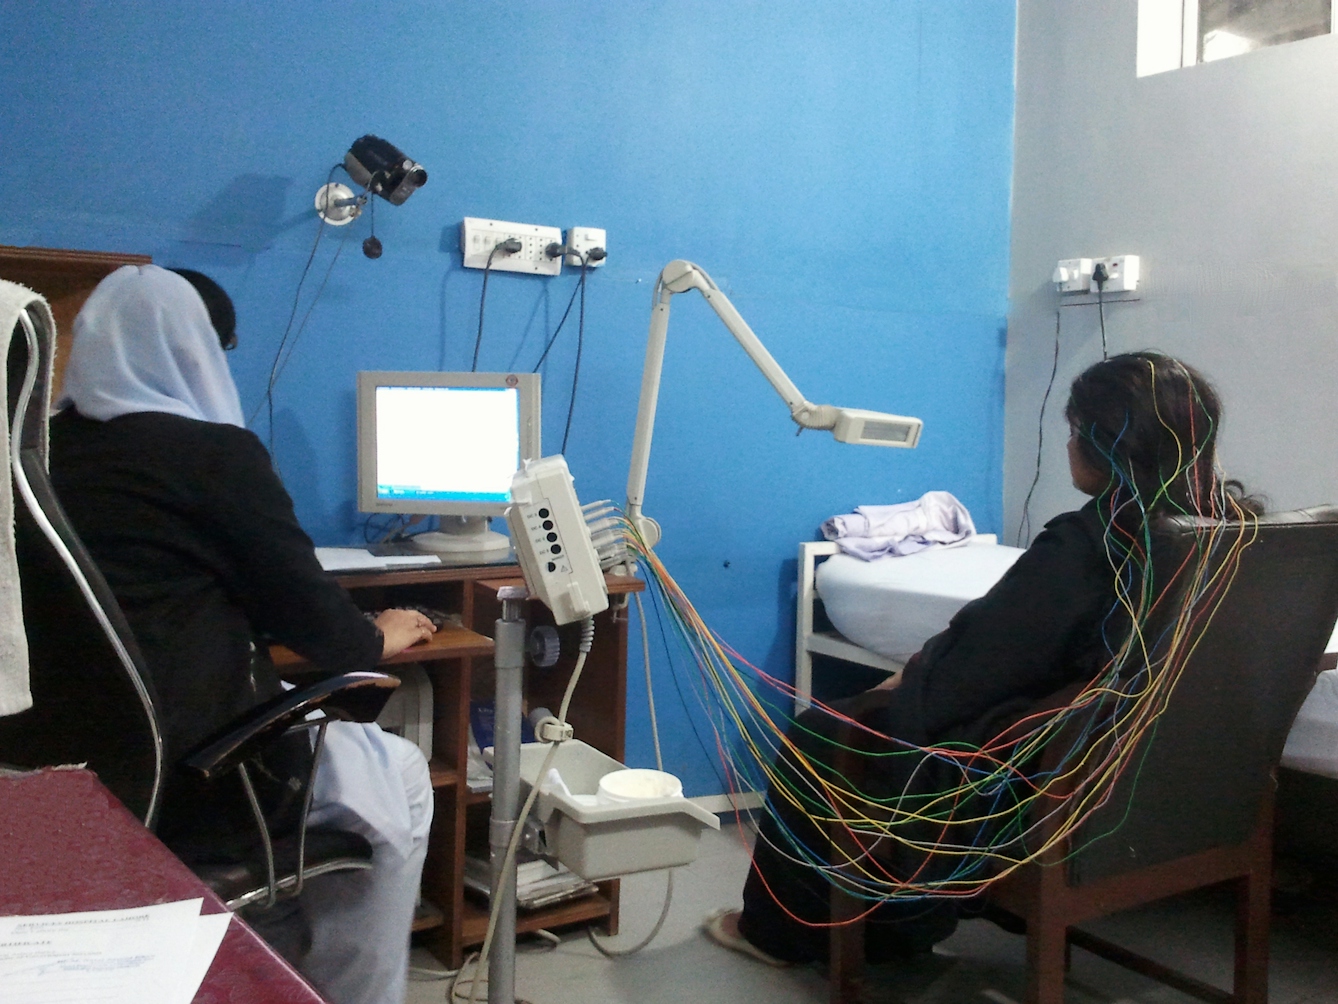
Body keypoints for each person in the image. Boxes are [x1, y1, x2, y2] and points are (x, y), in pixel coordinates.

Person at [705, 351, 1259, 967]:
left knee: (821, 735)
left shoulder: (1084, 546)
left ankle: (792, 935)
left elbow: (968, 677)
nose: (1070, 445)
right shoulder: (1237, 537)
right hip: (1176, 777)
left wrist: (906, 680)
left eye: (1076, 431)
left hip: (1046, 782)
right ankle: (897, 929)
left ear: (1105, 445)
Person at [49, 264, 435, 1004]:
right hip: (200, 772)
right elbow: (331, 639)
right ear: (198, 349)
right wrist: (380, 633)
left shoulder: (36, 454)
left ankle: (269, 959)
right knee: (403, 776)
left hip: (73, 769)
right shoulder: (213, 456)